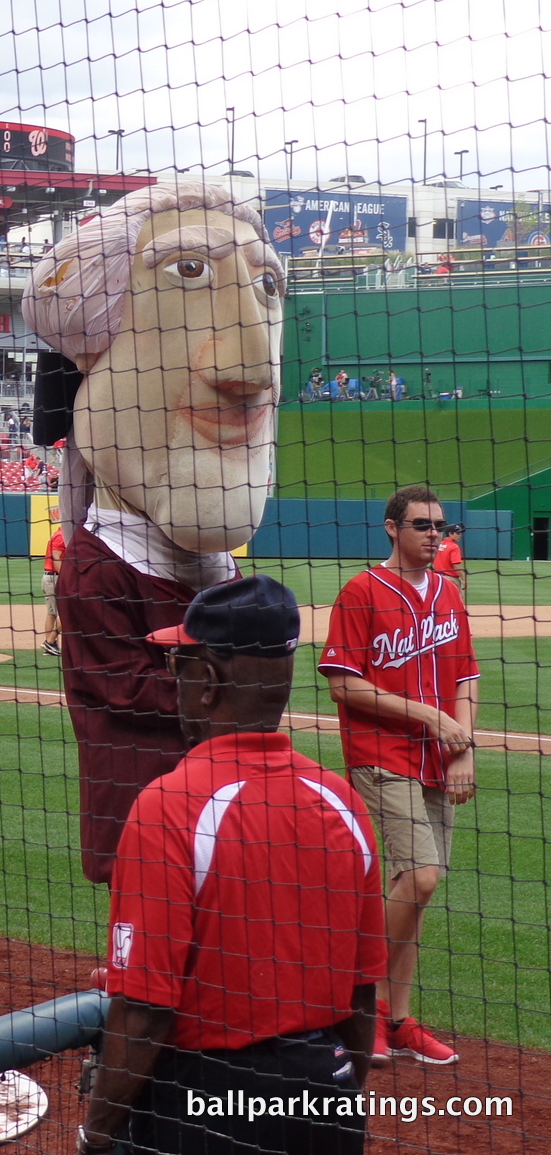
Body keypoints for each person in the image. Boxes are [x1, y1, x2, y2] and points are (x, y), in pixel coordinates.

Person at [21, 181, 283, 884]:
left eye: (266, 285)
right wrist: (233, 692)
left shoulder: (216, 565)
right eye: (189, 272)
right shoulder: (98, 566)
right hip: (145, 807)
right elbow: (122, 689)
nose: (253, 368)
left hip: (217, 802)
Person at [80, 575, 384, 1155]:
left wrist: (96, 1134)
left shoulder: (169, 806)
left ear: (209, 682)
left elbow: (144, 1010)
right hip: (329, 1093)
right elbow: (363, 994)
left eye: (180, 664)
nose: (174, 679)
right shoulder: (342, 800)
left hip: (208, 1103)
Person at [319, 485, 478, 1067]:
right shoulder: (361, 590)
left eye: (440, 525)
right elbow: (343, 683)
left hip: (440, 760)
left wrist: (463, 748)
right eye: (421, 525)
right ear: (392, 528)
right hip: (379, 753)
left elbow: (467, 677)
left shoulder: (448, 594)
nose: (434, 534)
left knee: (414, 894)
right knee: (422, 876)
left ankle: (396, 1019)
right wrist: (430, 717)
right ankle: (357, 1003)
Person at [41, 522, 65, 656]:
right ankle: (50, 642)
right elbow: (56, 557)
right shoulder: (61, 535)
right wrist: (65, 577)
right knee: (66, 611)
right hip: (55, 577)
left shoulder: (58, 533)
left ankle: (50, 646)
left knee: (52, 613)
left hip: (50, 577)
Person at [432, 523, 466, 595]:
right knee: (456, 604)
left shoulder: (439, 544)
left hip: (436, 579)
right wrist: (464, 579)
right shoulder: (454, 547)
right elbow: (456, 566)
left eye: (460, 533)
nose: (460, 535)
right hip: (450, 580)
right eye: (457, 533)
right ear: (450, 533)